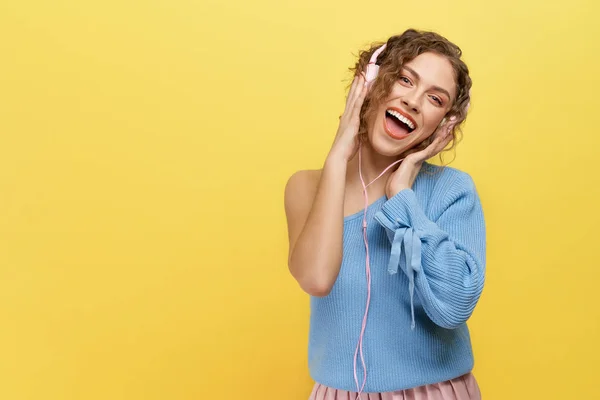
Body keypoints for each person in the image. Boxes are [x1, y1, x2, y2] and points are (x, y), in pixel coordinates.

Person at [284, 29, 486, 400]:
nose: (412, 101)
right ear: (371, 82)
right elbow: (315, 278)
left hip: (435, 392)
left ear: (444, 122)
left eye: (435, 99)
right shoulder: (305, 187)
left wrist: (403, 198)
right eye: (405, 79)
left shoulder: (452, 190)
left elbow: (455, 306)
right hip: (338, 393)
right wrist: (337, 157)